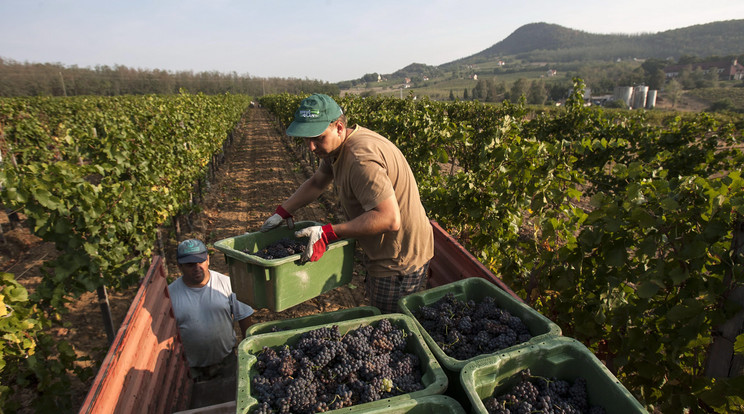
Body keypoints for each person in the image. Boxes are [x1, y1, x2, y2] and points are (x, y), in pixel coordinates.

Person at [261, 93, 434, 313]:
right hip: (392, 250)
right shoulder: (337, 148)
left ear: (339, 128)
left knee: (389, 327)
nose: (311, 147)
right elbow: (317, 182)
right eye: (306, 139)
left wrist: (328, 233)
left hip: (398, 261)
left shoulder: (360, 159)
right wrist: (283, 211)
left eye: (317, 138)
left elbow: (389, 219)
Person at [168, 239, 254, 381]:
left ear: (208, 259)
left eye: (200, 261)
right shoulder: (171, 295)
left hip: (226, 362)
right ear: (179, 266)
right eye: (190, 264)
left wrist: (250, 353)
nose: (197, 267)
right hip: (192, 368)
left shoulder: (227, 284)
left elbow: (245, 319)